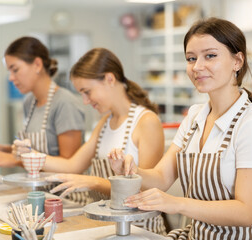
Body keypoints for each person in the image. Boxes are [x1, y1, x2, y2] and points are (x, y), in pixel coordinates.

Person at [108, 17, 252, 240]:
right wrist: (131, 170)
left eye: (210, 56)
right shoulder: (195, 116)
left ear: (237, 61)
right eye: (191, 58)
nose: (197, 67)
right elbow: (161, 178)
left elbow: (246, 212)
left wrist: (177, 204)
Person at [43, 48, 166, 235]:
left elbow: (145, 192)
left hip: (139, 229)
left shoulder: (147, 122)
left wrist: (94, 182)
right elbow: (72, 165)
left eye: (87, 92)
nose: (85, 101)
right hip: (108, 227)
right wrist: (31, 158)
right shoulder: (105, 122)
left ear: (110, 79)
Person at [0, 36, 85, 168]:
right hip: (38, 187)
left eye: (15, 70)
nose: (11, 78)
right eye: (9, 71)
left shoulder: (65, 103)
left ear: (37, 64)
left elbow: (70, 166)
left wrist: (15, 160)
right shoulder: (29, 102)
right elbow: (38, 150)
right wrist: (4, 150)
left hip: (63, 188)